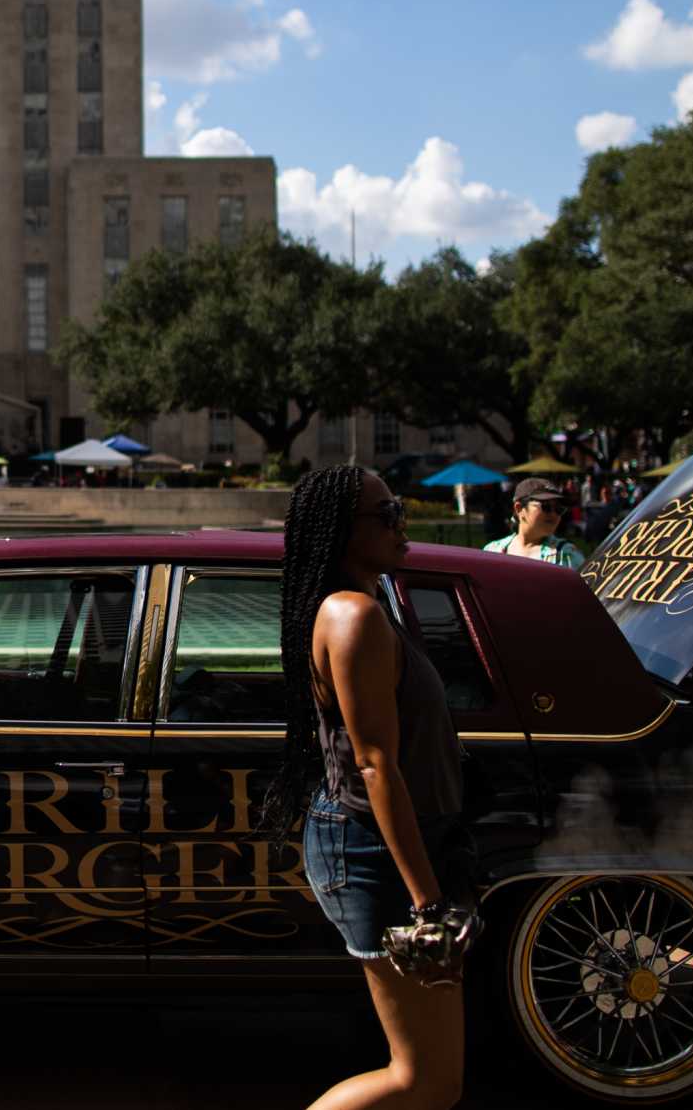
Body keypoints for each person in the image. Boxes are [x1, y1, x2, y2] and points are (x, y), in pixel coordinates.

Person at [261, 465, 471, 1110]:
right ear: (339, 532)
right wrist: (428, 905)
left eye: (399, 508)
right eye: (386, 514)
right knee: (422, 1080)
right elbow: (375, 763)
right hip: (373, 852)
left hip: (390, 844)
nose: (401, 523)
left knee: (435, 1081)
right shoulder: (352, 615)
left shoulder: (368, 605)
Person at [482, 478, 585, 568]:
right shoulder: (492, 551)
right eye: (546, 507)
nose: (554, 514)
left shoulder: (567, 555)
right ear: (519, 508)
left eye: (559, 509)